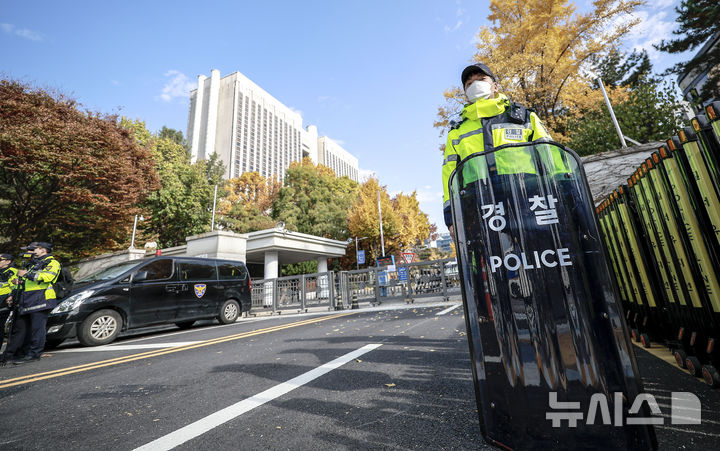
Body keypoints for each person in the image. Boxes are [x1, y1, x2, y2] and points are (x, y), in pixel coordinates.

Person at [441, 62, 554, 236]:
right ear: (465, 94)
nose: (475, 85)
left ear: (495, 86)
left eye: (481, 79)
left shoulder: (523, 117)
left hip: (528, 195)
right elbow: (450, 175)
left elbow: (550, 155)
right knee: (491, 260)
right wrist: (451, 217)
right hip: (479, 202)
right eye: (469, 84)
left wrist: (563, 191)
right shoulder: (457, 132)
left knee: (542, 253)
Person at [0, 242, 60, 365]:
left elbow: (48, 277)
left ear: (43, 250)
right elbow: (26, 282)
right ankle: (18, 353)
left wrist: (27, 274)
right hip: (28, 299)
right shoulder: (33, 263)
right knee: (21, 328)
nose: (31, 251)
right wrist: (14, 293)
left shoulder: (52, 262)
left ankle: (34, 354)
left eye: (35, 249)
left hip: (42, 299)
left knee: (37, 329)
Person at [0, 253, 19, 351]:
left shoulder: (13, 271)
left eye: (0, 259)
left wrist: (10, 296)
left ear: (8, 261)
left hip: (5, 301)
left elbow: (15, 286)